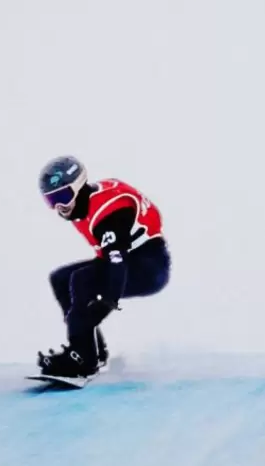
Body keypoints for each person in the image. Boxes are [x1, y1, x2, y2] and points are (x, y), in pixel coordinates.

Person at [36, 156, 172, 377]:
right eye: (52, 201)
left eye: (63, 197)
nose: (59, 208)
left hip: (149, 268)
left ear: (79, 187)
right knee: (60, 278)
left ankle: (83, 358)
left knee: (80, 281)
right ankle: (91, 352)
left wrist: (107, 302)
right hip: (131, 259)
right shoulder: (86, 202)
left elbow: (116, 263)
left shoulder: (108, 215)